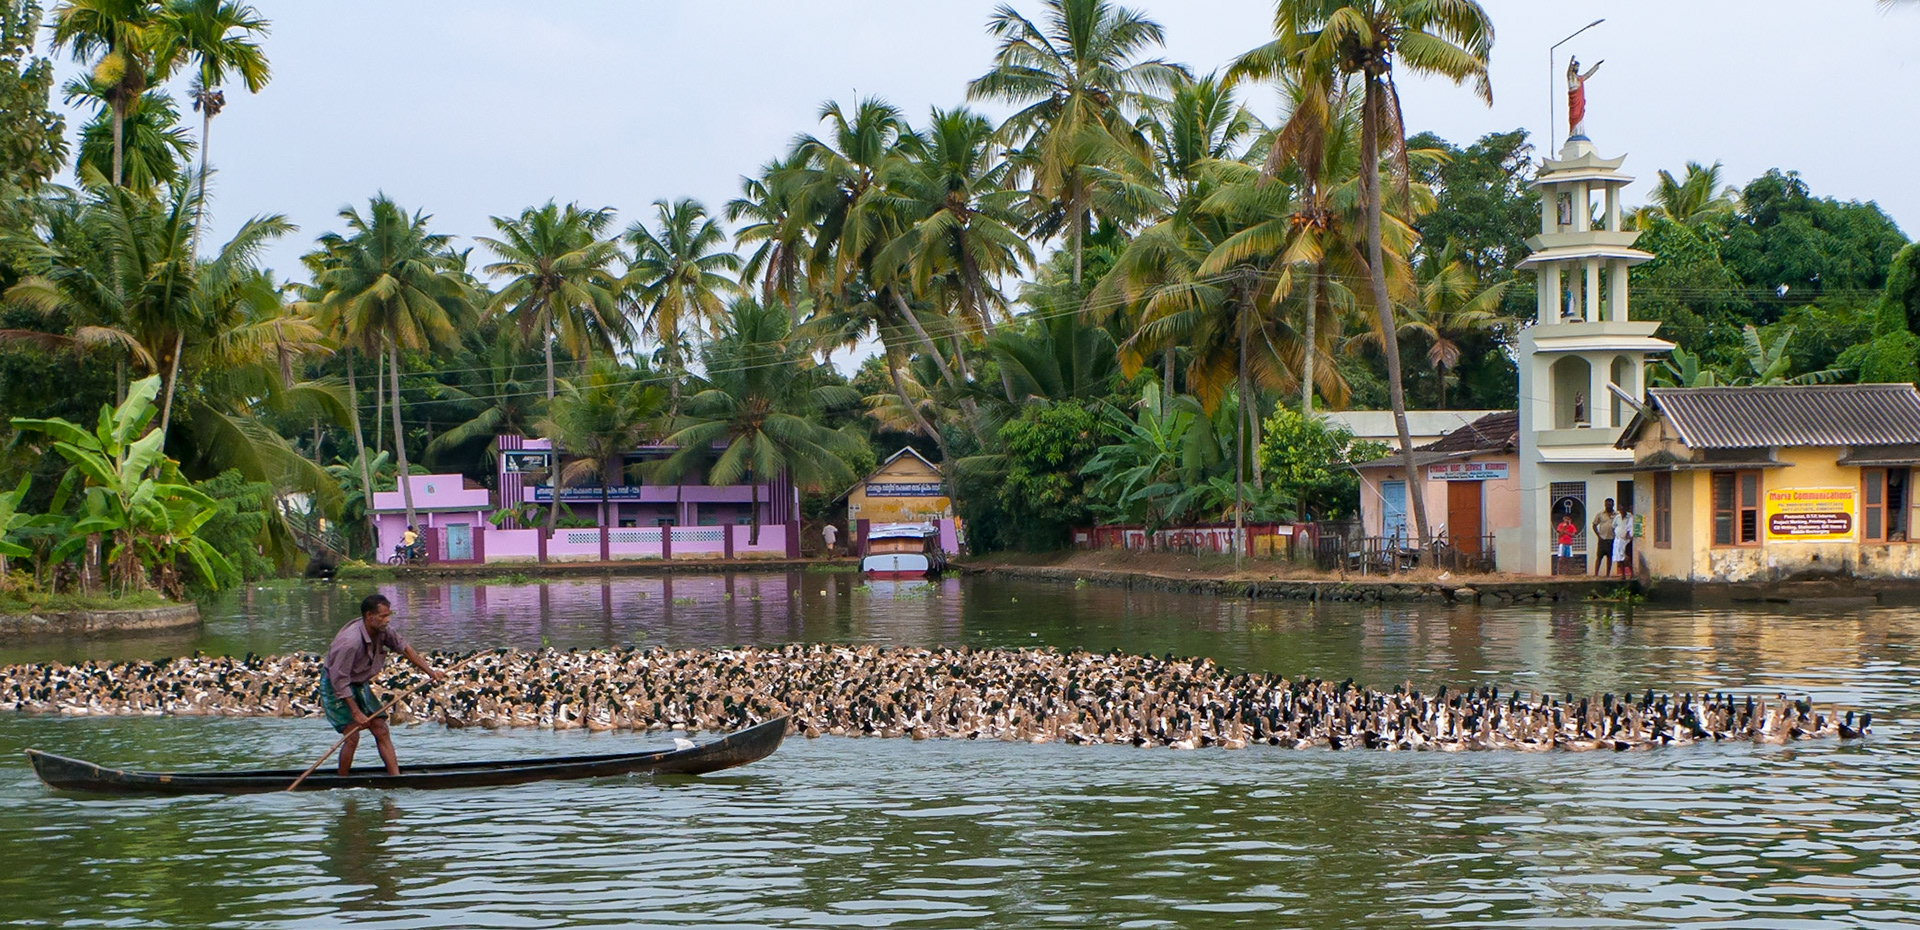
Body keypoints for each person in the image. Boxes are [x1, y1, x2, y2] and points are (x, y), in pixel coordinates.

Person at [320, 594, 444, 775]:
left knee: (380, 728)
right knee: (352, 735)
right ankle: (342, 782)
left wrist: (430, 672)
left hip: (358, 681)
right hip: (335, 684)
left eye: (388, 615)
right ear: (369, 616)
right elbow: (339, 681)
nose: (388, 620)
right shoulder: (350, 642)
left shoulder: (383, 631)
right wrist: (356, 712)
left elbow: (405, 648)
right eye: (383, 616)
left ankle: (395, 777)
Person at [1592, 499, 1617, 576]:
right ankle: (1596, 574)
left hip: (1612, 539)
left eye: (1610, 504)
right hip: (1602, 539)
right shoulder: (1600, 514)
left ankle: (1608, 574)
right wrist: (1598, 535)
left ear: (1613, 505)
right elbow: (1594, 525)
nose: (1608, 506)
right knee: (1599, 557)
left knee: (1609, 557)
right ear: (1604, 505)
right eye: (1607, 504)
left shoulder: (1617, 515)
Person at [1614, 507, 1635, 578]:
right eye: (1621, 509)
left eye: (1623, 509)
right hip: (1618, 540)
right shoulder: (1617, 517)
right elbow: (1613, 526)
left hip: (1627, 541)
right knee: (1619, 559)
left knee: (1627, 558)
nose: (1622, 511)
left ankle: (1632, 573)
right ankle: (1623, 575)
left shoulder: (1630, 517)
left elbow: (1630, 529)